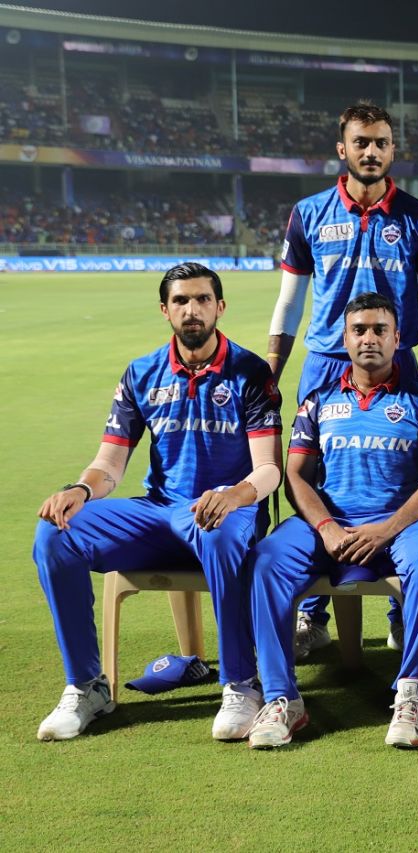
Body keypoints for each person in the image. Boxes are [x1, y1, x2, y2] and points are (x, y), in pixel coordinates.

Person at [33, 262, 282, 741]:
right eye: (182, 301)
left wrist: (233, 495)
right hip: (158, 512)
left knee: (220, 529)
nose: (193, 310)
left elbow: (267, 468)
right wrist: (80, 490)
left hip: (226, 512)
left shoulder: (250, 371)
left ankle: (240, 684)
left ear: (220, 307)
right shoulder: (141, 372)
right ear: (165, 310)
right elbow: (108, 466)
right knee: (55, 532)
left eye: (203, 300)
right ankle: (87, 685)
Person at [268, 101, 418, 657]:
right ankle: (310, 613)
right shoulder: (309, 213)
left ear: (393, 151)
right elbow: (289, 301)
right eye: (361, 142)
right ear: (341, 149)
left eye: (381, 143)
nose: (371, 151)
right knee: (315, 478)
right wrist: (271, 375)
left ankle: (404, 610)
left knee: (408, 474)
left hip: (402, 363)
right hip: (326, 362)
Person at [246, 292, 418, 750]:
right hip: (329, 521)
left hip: (401, 521)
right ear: (344, 338)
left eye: (380, 330)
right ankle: (283, 699)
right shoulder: (317, 401)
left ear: (398, 338)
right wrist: (326, 528)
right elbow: (296, 477)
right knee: (266, 560)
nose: (369, 339)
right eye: (359, 330)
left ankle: (412, 694)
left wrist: (388, 528)